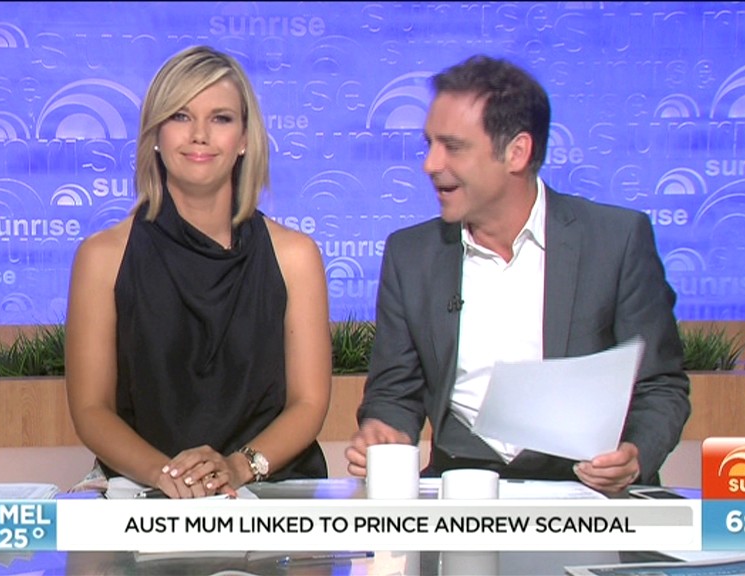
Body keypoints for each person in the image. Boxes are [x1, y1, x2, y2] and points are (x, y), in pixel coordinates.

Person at [346, 55, 690, 494]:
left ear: (517, 152)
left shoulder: (615, 241)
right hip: (462, 492)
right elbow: (394, 393)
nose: (430, 164)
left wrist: (635, 454)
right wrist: (383, 432)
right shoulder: (411, 255)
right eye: (429, 144)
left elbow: (660, 385)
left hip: (587, 494)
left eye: (453, 146)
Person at [65, 46, 332, 498]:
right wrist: (168, 476)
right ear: (155, 133)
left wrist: (237, 467)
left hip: (269, 488)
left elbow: (308, 404)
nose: (200, 135)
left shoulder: (295, 256)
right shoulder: (102, 257)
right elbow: (92, 410)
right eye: (181, 116)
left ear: (244, 138)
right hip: (146, 492)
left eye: (221, 118)